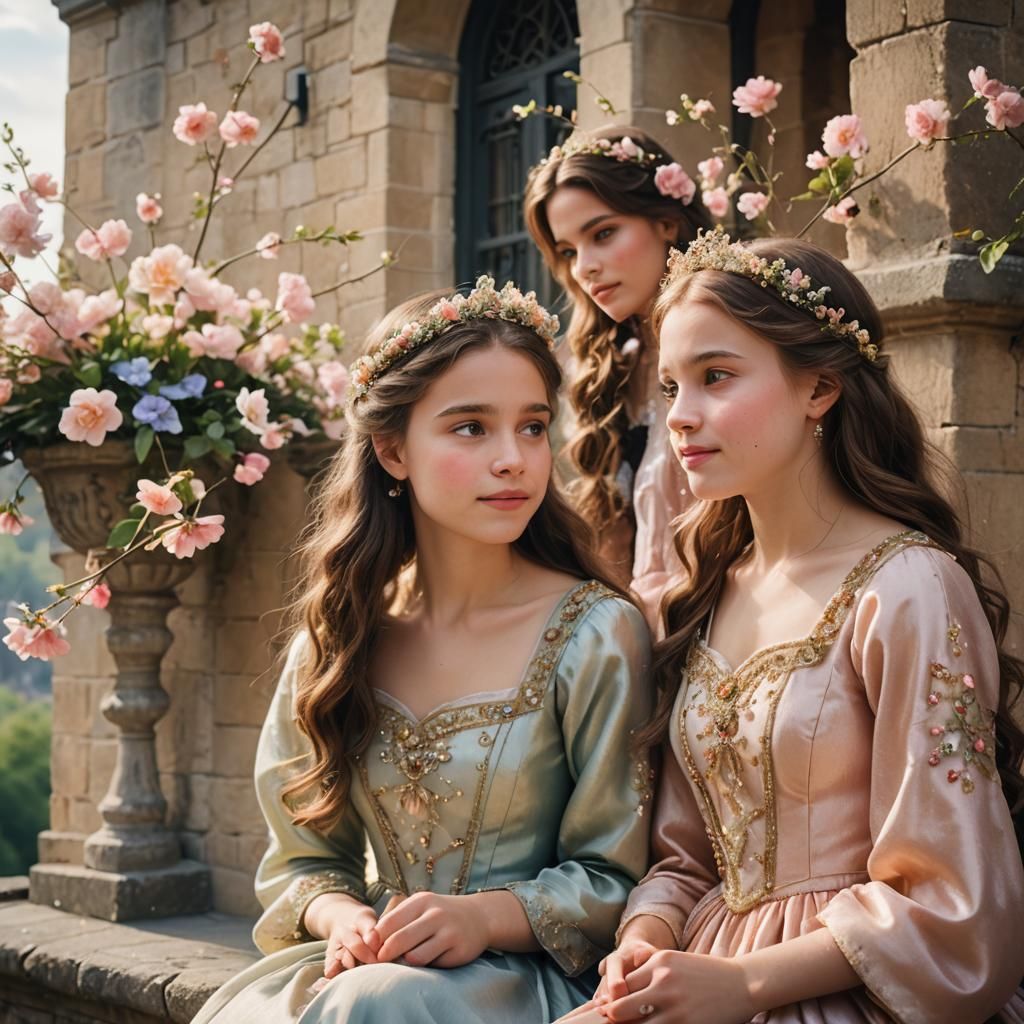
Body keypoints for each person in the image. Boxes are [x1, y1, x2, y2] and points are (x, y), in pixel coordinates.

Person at [560, 232, 1024, 1024]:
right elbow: (684, 854)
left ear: (820, 387)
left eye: (716, 377)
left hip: (847, 989)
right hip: (700, 969)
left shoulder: (907, 588)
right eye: (671, 386)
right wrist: (646, 935)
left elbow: (956, 901)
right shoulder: (701, 593)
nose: (683, 416)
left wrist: (745, 985)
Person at [192, 276, 654, 1024]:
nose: (513, 458)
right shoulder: (338, 635)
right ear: (392, 449)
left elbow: (615, 874)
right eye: (471, 427)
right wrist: (342, 919)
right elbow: (302, 862)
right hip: (366, 970)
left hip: (527, 980)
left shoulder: (596, 634)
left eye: (533, 427)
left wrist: (481, 918)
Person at [524, 127, 711, 621]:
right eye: (568, 251)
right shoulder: (608, 367)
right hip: (633, 646)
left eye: (603, 234)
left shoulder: (737, 349)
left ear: (667, 222)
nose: (586, 267)